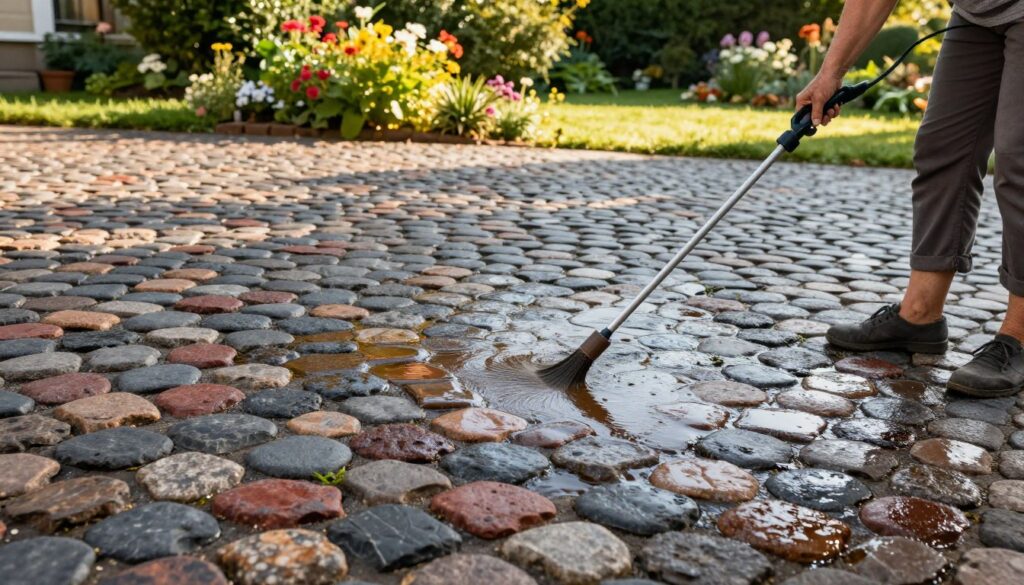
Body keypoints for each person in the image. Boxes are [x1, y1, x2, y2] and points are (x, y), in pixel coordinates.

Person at [796, 0, 1024, 397]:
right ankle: (919, 315)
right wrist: (829, 73)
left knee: (1018, 159)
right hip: (976, 13)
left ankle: (1019, 336)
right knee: (943, 148)